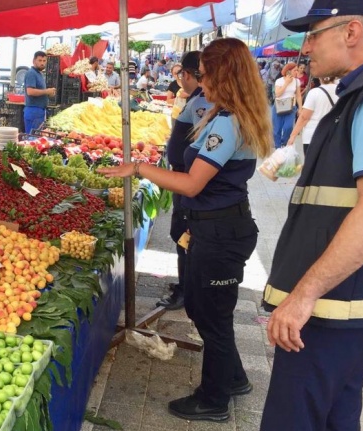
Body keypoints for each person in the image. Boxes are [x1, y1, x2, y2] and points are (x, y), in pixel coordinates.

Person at [99, 38, 272, 422]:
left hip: (220, 232)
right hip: (214, 227)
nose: (200, 82)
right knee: (204, 308)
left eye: (206, 75)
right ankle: (235, 379)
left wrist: (139, 169)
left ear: (224, 76)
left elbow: (193, 183)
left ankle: (213, 400)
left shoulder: (228, 122)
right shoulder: (225, 114)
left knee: (212, 317)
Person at [260, 2, 363, 430]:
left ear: (351, 31)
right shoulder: (358, 94)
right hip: (349, 302)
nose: (306, 46)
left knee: (293, 417)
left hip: (337, 306)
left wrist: (303, 295)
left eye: (315, 33)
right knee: (336, 414)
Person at [156, 51, 213, 311]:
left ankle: (188, 291)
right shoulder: (197, 98)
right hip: (182, 174)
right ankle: (187, 286)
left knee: (183, 233)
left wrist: (140, 169)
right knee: (180, 232)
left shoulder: (205, 101)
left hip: (188, 179)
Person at [287, 76, 339, 155]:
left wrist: (293, 135)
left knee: (311, 165)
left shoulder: (314, 93)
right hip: (334, 135)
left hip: (313, 135)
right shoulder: (341, 92)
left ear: (319, 78)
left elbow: (304, 117)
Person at [23, 51, 56, 134]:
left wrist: (49, 93)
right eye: (40, 60)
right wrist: (46, 91)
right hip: (33, 111)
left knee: (37, 138)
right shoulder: (31, 73)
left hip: (39, 111)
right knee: (32, 137)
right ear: (34, 61)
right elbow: (30, 91)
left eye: (44, 61)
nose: (42, 63)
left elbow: (40, 91)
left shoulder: (39, 74)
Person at [272, 62, 303, 148]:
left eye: (297, 70)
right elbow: (277, 94)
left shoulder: (297, 81)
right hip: (279, 107)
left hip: (291, 107)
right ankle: (277, 147)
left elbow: (298, 95)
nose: (297, 72)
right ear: (288, 71)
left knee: (288, 127)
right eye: (295, 70)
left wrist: (300, 108)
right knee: (277, 129)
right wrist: (286, 83)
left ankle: (284, 143)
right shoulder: (279, 81)